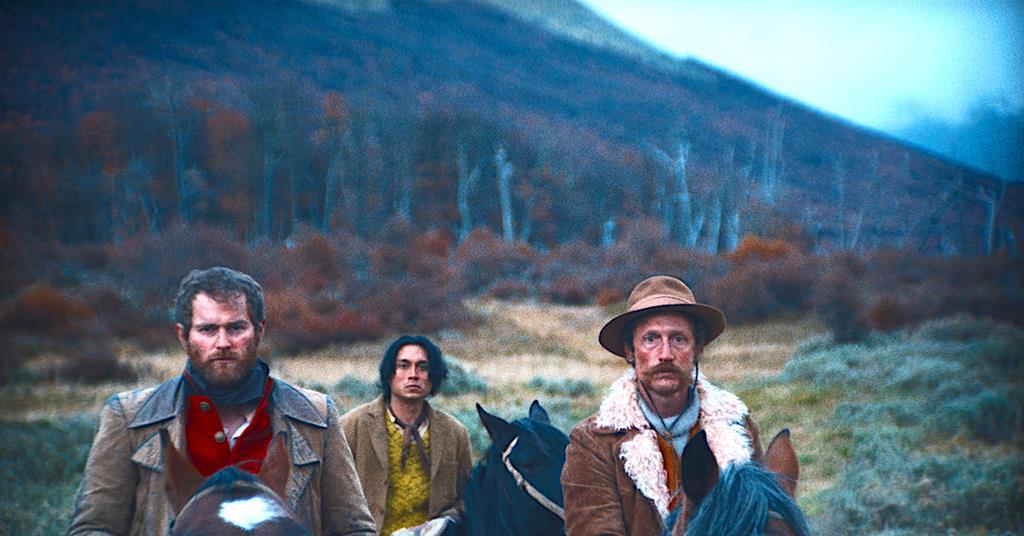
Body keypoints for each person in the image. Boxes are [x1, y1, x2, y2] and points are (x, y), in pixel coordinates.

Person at [69, 266, 376, 535]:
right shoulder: (130, 417)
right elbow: (94, 528)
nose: (223, 342)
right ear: (183, 335)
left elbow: (353, 529)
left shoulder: (315, 416)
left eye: (236, 328)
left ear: (259, 330)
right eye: (207, 329)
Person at [561, 275, 764, 535]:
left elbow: (760, 519)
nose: (665, 354)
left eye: (678, 339)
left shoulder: (738, 427)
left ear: (697, 348)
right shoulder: (595, 442)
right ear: (630, 350)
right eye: (651, 339)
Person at [341, 335, 473, 535]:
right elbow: (332, 497)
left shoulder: (455, 433)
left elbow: (467, 499)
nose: (413, 375)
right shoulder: (352, 426)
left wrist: (441, 523)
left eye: (422, 367)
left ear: (433, 376)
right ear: (389, 374)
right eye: (403, 366)